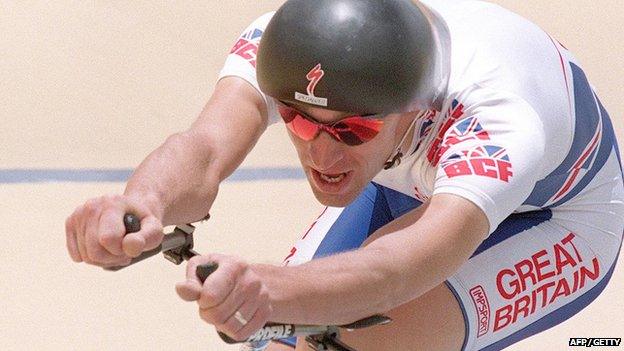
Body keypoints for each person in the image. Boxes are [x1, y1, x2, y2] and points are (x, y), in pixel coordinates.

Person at [65, 0, 624, 350]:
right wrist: (140, 205)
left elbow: (391, 272)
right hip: (411, 175)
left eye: (352, 129)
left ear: (416, 105)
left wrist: (271, 290)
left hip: (558, 217)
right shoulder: (289, 44)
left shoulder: (498, 117)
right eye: (299, 123)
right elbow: (206, 148)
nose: (323, 157)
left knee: (374, 339)